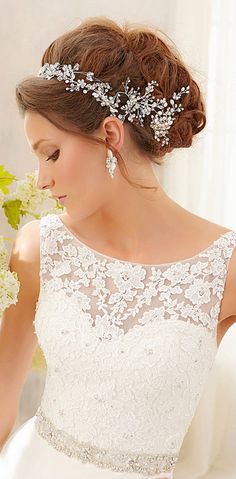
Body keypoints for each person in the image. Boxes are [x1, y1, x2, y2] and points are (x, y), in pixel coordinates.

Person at [0, 16, 236, 479]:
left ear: (110, 135)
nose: (42, 178)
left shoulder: (224, 266)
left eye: (51, 153)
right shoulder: (39, 248)